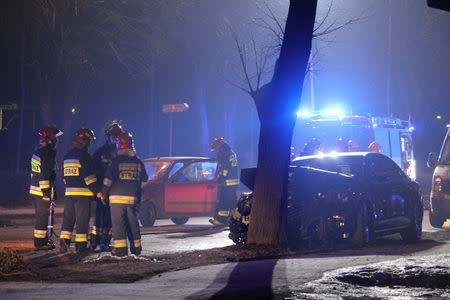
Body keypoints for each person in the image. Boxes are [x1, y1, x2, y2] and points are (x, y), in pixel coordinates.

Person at [100, 131, 148, 257]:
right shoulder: (138, 162)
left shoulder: (115, 162)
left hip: (116, 201)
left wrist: (104, 195)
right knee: (133, 225)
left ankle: (121, 253)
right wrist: (139, 193)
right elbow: (145, 181)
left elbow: (107, 181)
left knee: (118, 226)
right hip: (132, 200)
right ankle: (136, 250)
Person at [59, 128, 98, 254]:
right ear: (85, 141)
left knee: (68, 219)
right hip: (83, 194)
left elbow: (63, 177)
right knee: (82, 221)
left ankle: (63, 245)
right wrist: (96, 191)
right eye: (90, 141)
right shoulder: (84, 156)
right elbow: (89, 178)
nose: (90, 144)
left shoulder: (67, 155)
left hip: (69, 193)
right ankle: (81, 247)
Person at [91, 121, 123, 251]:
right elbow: (93, 171)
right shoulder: (100, 152)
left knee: (110, 219)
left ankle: (105, 242)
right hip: (101, 190)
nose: (115, 139)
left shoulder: (122, 153)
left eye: (118, 136)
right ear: (109, 136)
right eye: (113, 136)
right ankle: (94, 242)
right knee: (99, 217)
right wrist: (97, 191)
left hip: (115, 191)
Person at [30, 125, 62, 250]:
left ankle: (41, 241)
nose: (57, 141)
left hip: (35, 190)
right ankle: (40, 243)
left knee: (41, 217)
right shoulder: (47, 153)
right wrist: (46, 194)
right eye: (55, 138)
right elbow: (44, 175)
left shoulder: (38, 151)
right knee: (42, 218)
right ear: (49, 138)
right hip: (41, 192)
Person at [209, 137, 239, 226]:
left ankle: (221, 220)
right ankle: (236, 219)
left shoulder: (225, 153)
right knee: (232, 202)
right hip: (232, 182)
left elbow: (225, 168)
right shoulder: (230, 152)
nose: (215, 150)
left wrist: (220, 178)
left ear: (218, 145)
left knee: (224, 201)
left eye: (215, 148)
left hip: (227, 182)